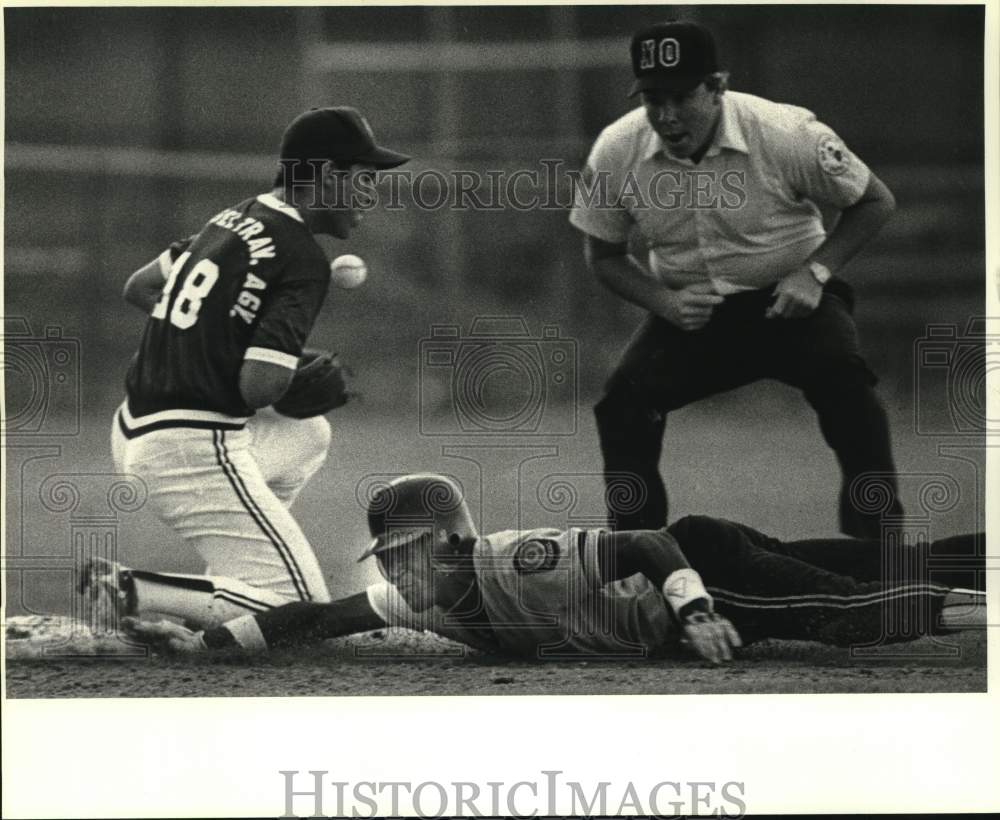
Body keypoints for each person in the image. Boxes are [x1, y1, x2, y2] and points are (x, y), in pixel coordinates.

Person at [569, 20, 902, 538]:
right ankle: (636, 563)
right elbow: (604, 254)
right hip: (693, 313)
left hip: (792, 302)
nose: (667, 115)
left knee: (848, 387)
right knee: (622, 406)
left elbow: (875, 201)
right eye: (654, 99)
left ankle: (880, 553)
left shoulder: (785, 133)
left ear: (717, 85)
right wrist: (663, 302)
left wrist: (814, 273)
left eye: (682, 97)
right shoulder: (616, 149)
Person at [82, 107, 410, 629]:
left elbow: (139, 286)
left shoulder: (232, 217)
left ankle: (234, 578)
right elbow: (259, 387)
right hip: (189, 447)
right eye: (364, 178)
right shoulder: (302, 257)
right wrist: (290, 373)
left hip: (135, 427)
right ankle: (132, 590)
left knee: (308, 432)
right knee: (295, 614)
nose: (373, 193)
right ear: (326, 176)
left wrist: (216, 340)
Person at [124, 474, 984, 663]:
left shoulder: (516, 563)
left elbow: (647, 542)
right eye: (395, 560)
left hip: (699, 567)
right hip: (701, 561)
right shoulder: (419, 598)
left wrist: (692, 612)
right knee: (883, 568)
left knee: (839, 611)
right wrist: (206, 646)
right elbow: (309, 619)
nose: (403, 574)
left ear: (456, 541)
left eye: (415, 555)